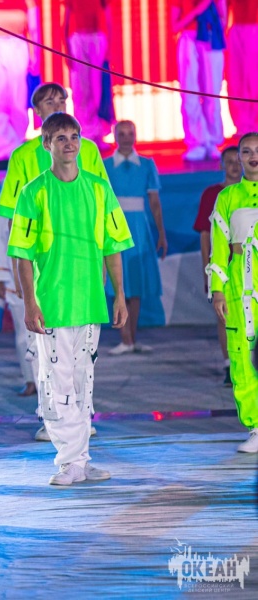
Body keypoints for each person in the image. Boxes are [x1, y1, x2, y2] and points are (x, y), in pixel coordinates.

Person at [8, 112, 133, 486]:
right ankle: (69, 461)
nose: (69, 143)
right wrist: (30, 303)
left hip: (90, 301)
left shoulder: (99, 188)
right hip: (52, 304)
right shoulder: (33, 192)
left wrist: (119, 296)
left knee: (82, 384)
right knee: (55, 384)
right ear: (46, 144)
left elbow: (113, 247)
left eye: (74, 136)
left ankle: (81, 459)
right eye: (60, 137)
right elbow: (22, 255)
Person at [0, 82, 108, 426]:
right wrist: (14, 269)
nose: (56, 105)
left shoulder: (88, 151)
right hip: (43, 266)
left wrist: (101, 263)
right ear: (36, 112)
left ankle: (82, 416)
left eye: (61, 100)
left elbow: (103, 208)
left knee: (84, 346)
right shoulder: (24, 156)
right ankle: (50, 416)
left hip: (81, 262)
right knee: (43, 344)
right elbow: (11, 217)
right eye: (48, 101)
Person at [206, 132, 258, 453]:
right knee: (243, 356)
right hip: (239, 285)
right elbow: (218, 248)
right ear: (238, 158)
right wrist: (217, 290)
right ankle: (256, 425)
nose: (253, 157)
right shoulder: (227, 197)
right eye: (247, 151)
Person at [104, 120, 168, 355]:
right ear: (115, 137)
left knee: (136, 283)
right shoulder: (105, 166)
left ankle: (131, 338)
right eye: (121, 134)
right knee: (117, 282)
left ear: (135, 135)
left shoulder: (147, 165)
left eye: (130, 133)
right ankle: (125, 338)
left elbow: (154, 202)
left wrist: (161, 233)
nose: (126, 138)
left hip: (139, 230)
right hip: (114, 227)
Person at [193, 145, 241, 386]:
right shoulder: (212, 194)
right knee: (225, 317)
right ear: (221, 165)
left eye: (238, 160)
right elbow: (205, 235)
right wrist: (207, 270)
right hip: (223, 267)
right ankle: (229, 364)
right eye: (229, 161)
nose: (234, 166)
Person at [0, 0, 41, 160]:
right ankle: (5, 149)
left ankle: (17, 144)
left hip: (18, 48)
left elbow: (34, 27)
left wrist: (36, 55)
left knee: (18, 100)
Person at [171, 0, 227, 161]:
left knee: (212, 94)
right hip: (189, 40)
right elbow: (174, 26)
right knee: (190, 94)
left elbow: (223, 20)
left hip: (211, 40)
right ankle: (196, 142)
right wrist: (197, 10)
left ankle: (212, 141)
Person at [62, 0, 111, 148]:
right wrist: (67, 51)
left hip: (97, 39)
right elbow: (65, 24)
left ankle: (97, 134)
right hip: (78, 41)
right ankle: (83, 134)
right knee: (81, 92)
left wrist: (109, 48)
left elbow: (108, 18)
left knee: (97, 90)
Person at [226, 0, 258, 135]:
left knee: (253, 79)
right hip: (236, 31)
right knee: (236, 79)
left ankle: (254, 123)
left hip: (253, 29)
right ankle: (242, 124)